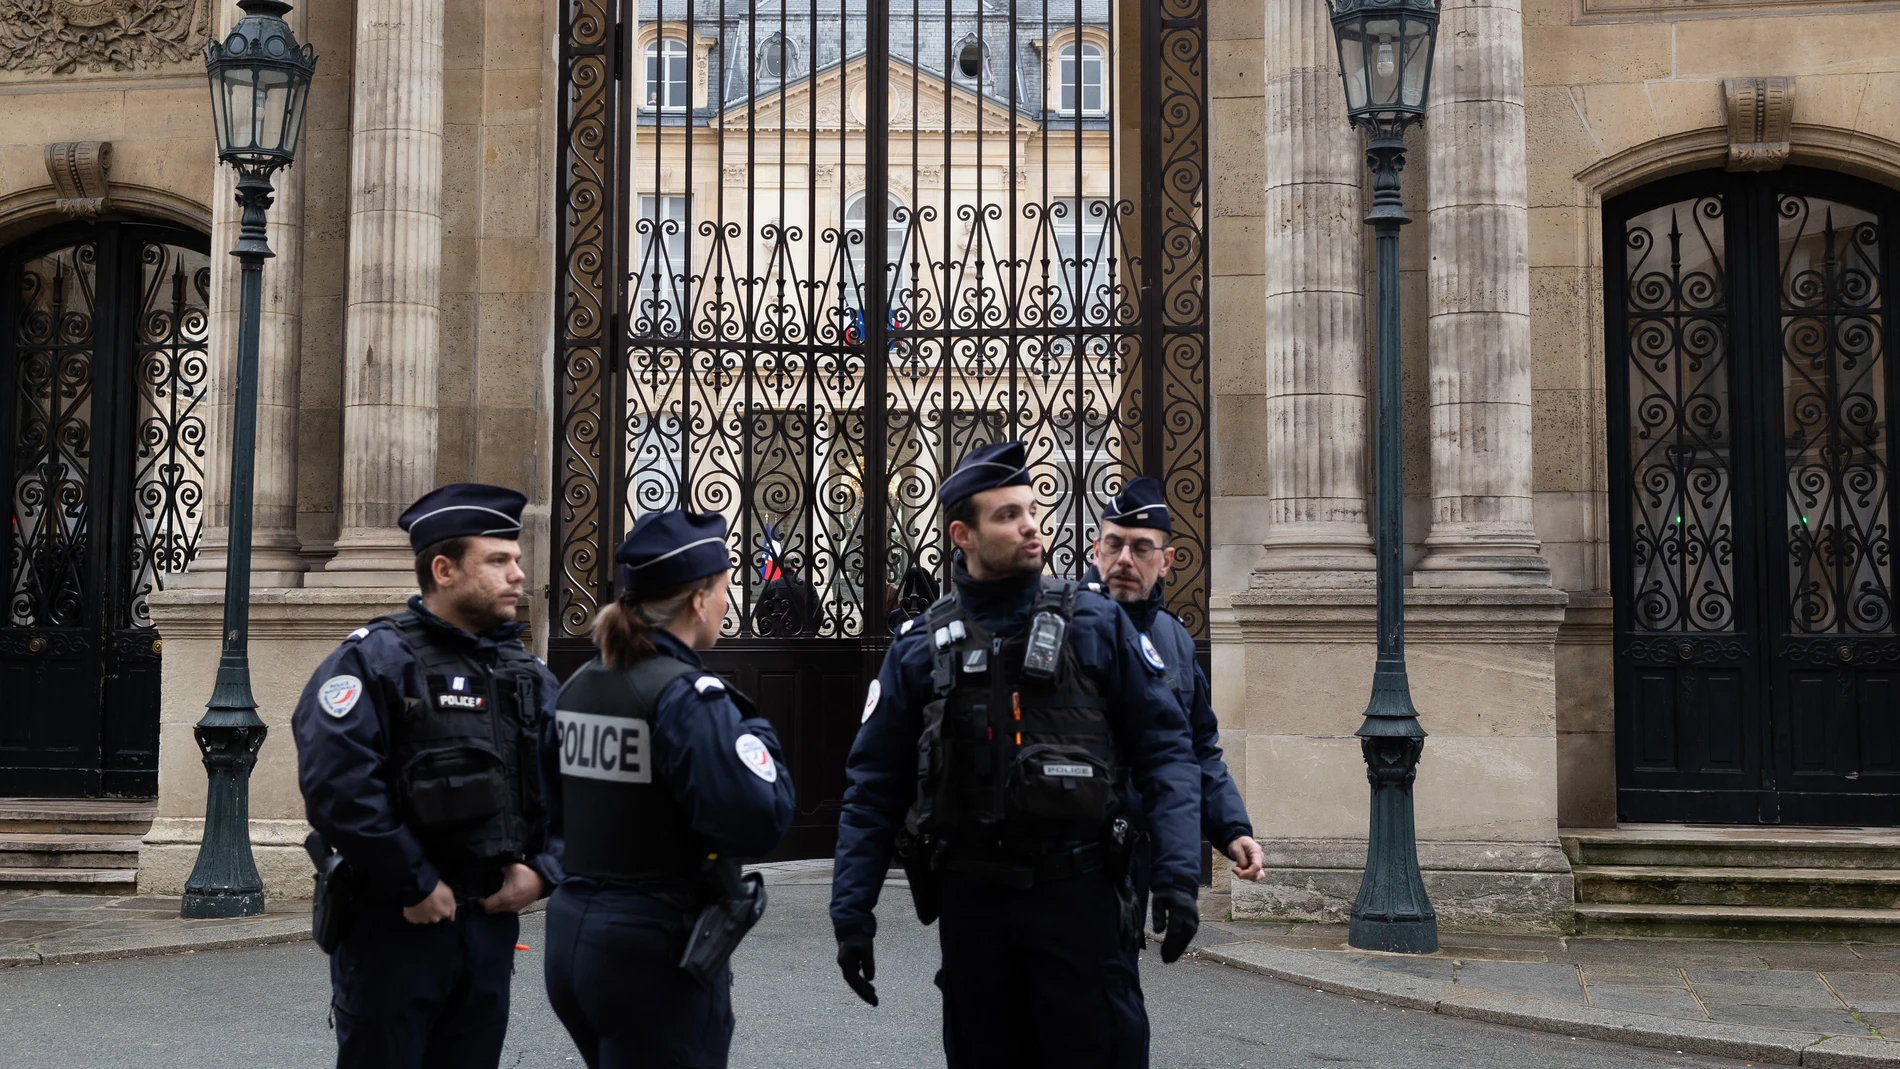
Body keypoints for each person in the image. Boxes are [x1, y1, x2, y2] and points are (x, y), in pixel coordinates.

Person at [829, 441, 1204, 1069]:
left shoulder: (1097, 624)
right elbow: (874, 786)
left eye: (1032, 509)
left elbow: (1167, 751)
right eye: (1007, 514)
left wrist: (1176, 871)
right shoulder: (919, 649)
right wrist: (851, 912)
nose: (1031, 524)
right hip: (976, 913)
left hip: (1081, 901)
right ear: (963, 534)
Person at [292, 482, 558, 1069]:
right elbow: (338, 786)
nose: (518, 574)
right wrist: (412, 881)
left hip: (488, 928)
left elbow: (573, 786)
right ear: (443, 569)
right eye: (498, 560)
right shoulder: (372, 661)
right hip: (395, 928)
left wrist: (543, 871)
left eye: (516, 560)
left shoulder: (527, 675)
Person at [543, 509, 796, 1069]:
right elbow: (760, 820)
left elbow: (548, 810)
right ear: (699, 600)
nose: (729, 604)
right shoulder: (688, 697)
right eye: (725, 590)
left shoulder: (581, 684)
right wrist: (754, 733)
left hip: (573, 934)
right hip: (651, 945)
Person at [1081, 477, 1264, 923]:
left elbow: (1198, 746)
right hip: (1067, 856)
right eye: (1114, 544)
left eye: (1141, 548)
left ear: (1166, 562)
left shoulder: (1174, 640)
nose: (1124, 558)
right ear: (1095, 550)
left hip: (1135, 856)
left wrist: (1232, 829)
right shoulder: (1059, 624)